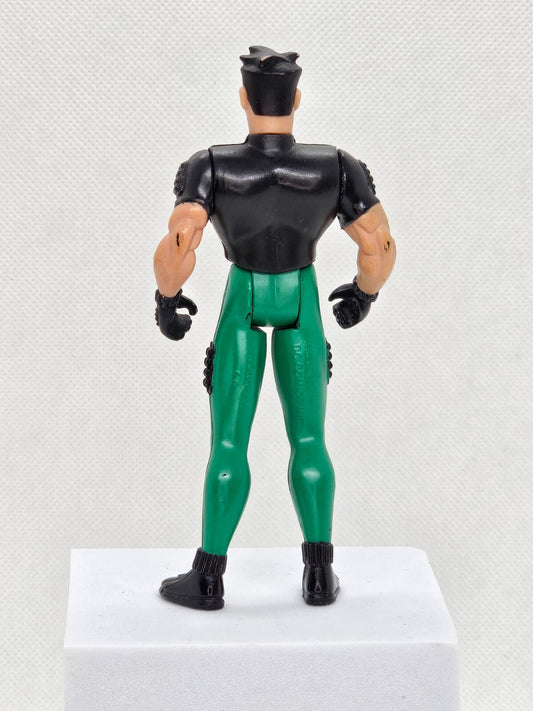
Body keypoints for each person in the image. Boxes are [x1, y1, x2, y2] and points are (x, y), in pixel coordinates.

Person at [153, 46, 396, 610]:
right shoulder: (334, 166)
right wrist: (364, 293)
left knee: (228, 443)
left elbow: (181, 241)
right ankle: (319, 573)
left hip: (245, 293)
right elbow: (379, 244)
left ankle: (208, 577)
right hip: (300, 296)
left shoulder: (213, 166)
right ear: (296, 100)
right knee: (309, 439)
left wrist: (166, 299)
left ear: (245, 99)